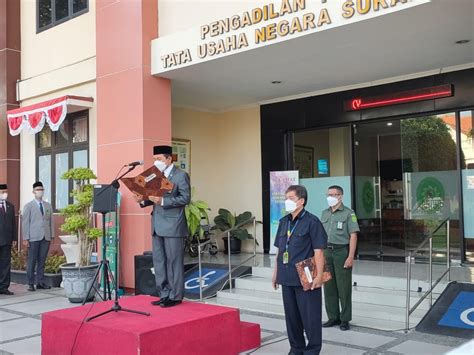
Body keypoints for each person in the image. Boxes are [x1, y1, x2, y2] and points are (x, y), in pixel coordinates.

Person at [272, 185, 327, 355]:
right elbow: (279, 252)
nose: (287, 202)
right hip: (286, 276)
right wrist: (275, 274)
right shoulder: (283, 222)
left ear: (301, 201)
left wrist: (318, 276)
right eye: (286, 198)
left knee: (311, 318)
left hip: (306, 275)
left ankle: (312, 351)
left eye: (291, 198)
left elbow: (319, 251)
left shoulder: (312, 221)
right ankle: (296, 349)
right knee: (292, 317)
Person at [134, 145, 190, 308]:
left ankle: (175, 295)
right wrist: (142, 200)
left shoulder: (180, 176)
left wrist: (164, 201)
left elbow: (185, 198)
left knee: (174, 261)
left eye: (158, 159)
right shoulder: (154, 176)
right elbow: (152, 198)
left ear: (168, 159)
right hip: (157, 224)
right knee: (159, 261)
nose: (156, 162)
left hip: (173, 225)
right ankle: (164, 293)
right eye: (154, 159)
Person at [320, 185, 359, 331]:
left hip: (341, 251)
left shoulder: (349, 213)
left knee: (344, 287)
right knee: (328, 286)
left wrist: (350, 256)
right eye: (328, 194)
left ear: (340, 196)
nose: (330, 197)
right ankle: (333, 317)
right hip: (326, 252)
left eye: (334, 194)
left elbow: (353, 235)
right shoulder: (324, 213)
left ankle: (345, 319)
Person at [22, 181, 53, 291]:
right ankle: (30, 283)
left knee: (42, 260)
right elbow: (25, 222)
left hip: (45, 237)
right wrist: (25, 238)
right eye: (38, 190)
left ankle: (40, 282)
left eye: (41, 189)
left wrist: (52, 236)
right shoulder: (28, 206)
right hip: (33, 237)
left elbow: (51, 222)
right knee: (32, 260)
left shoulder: (48, 205)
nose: (40, 191)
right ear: (33, 192)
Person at [0, 184, 16, 295]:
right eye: (2, 192)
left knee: (6, 264)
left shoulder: (10, 206)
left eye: (5, 191)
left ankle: (4, 287)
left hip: (7, 240)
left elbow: (13, 224)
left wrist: (14, 238)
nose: (4, 194)